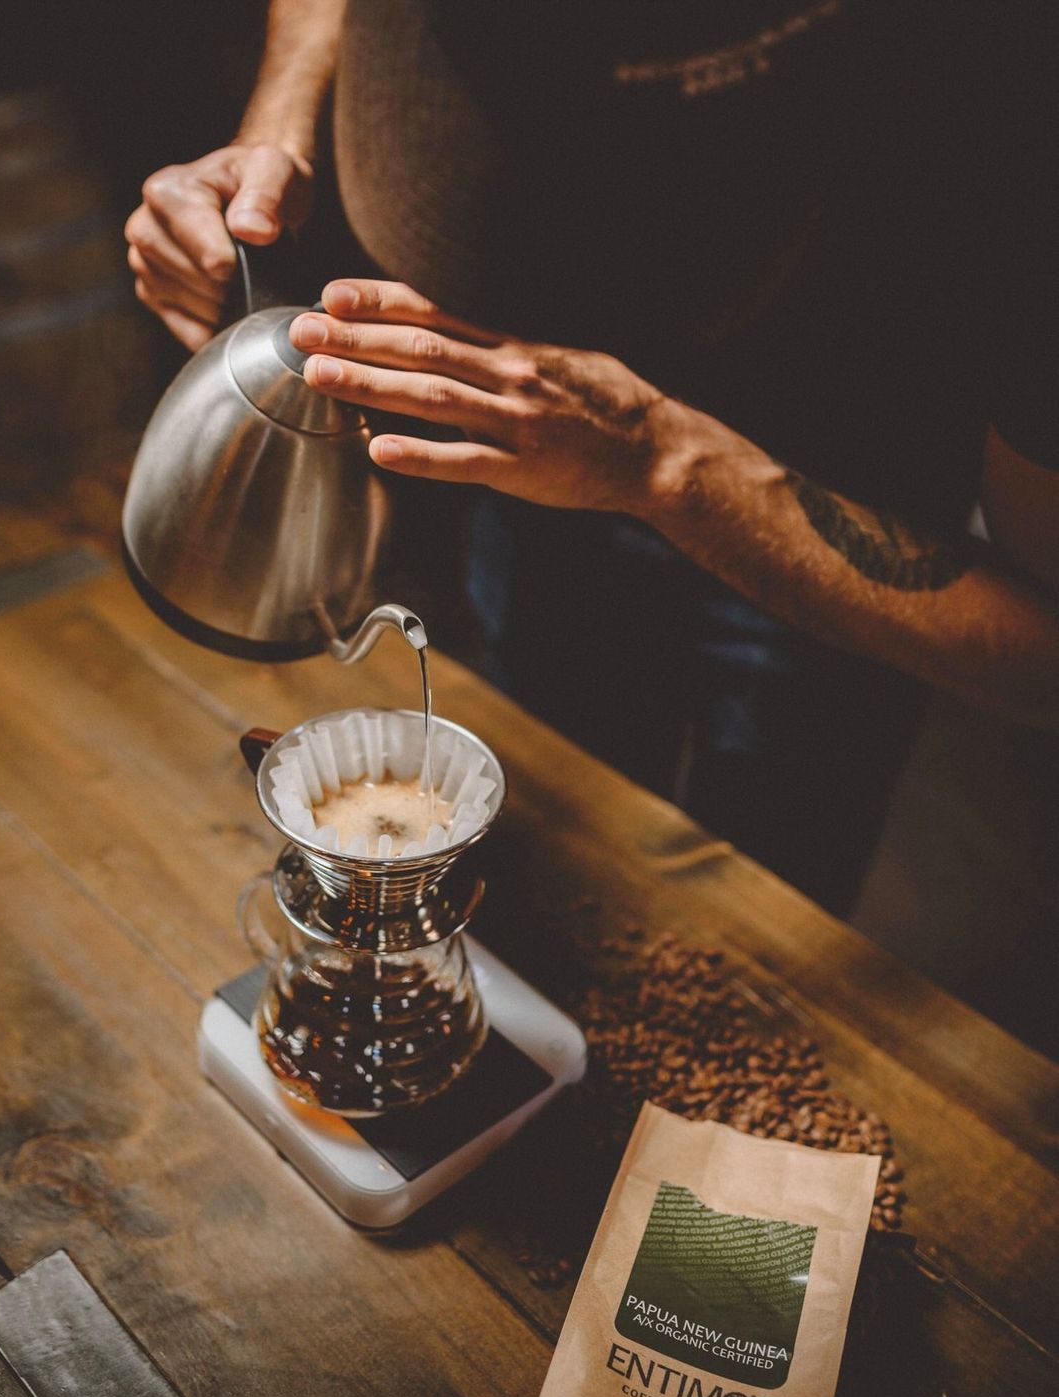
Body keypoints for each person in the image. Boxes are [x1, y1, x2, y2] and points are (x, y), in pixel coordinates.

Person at [126, 0, 1059, 913]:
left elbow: (1042, 654)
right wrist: (279, 128)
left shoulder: (1006, 143)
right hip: (541, 469)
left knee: (767, 900)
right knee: (566, 839)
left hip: (847, 531)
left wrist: (660, 464)